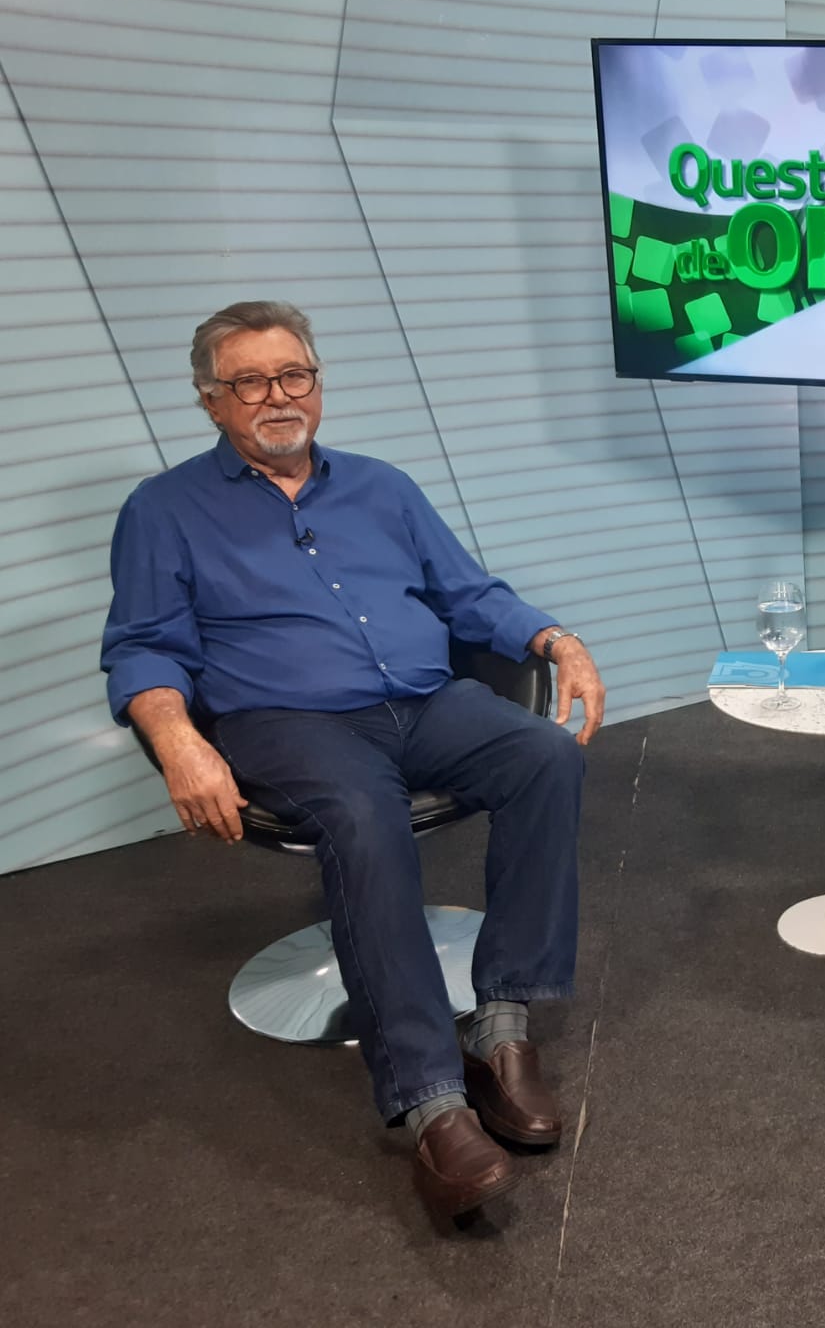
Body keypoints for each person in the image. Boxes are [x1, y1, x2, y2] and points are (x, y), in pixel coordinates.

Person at [101, 301, 607, 1222]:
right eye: (249, 381)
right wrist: (177, 740)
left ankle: (500, 1027)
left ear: (318, 383)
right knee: (365, 819)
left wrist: (556, 638)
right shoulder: (163, 510)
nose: (277, 396)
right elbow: (142, 646)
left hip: (424, 701)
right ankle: (431, 1100)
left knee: (545, 756)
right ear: (211, 400)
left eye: (293, 374)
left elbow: (468, 593)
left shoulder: (383, 487)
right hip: (286, 721)